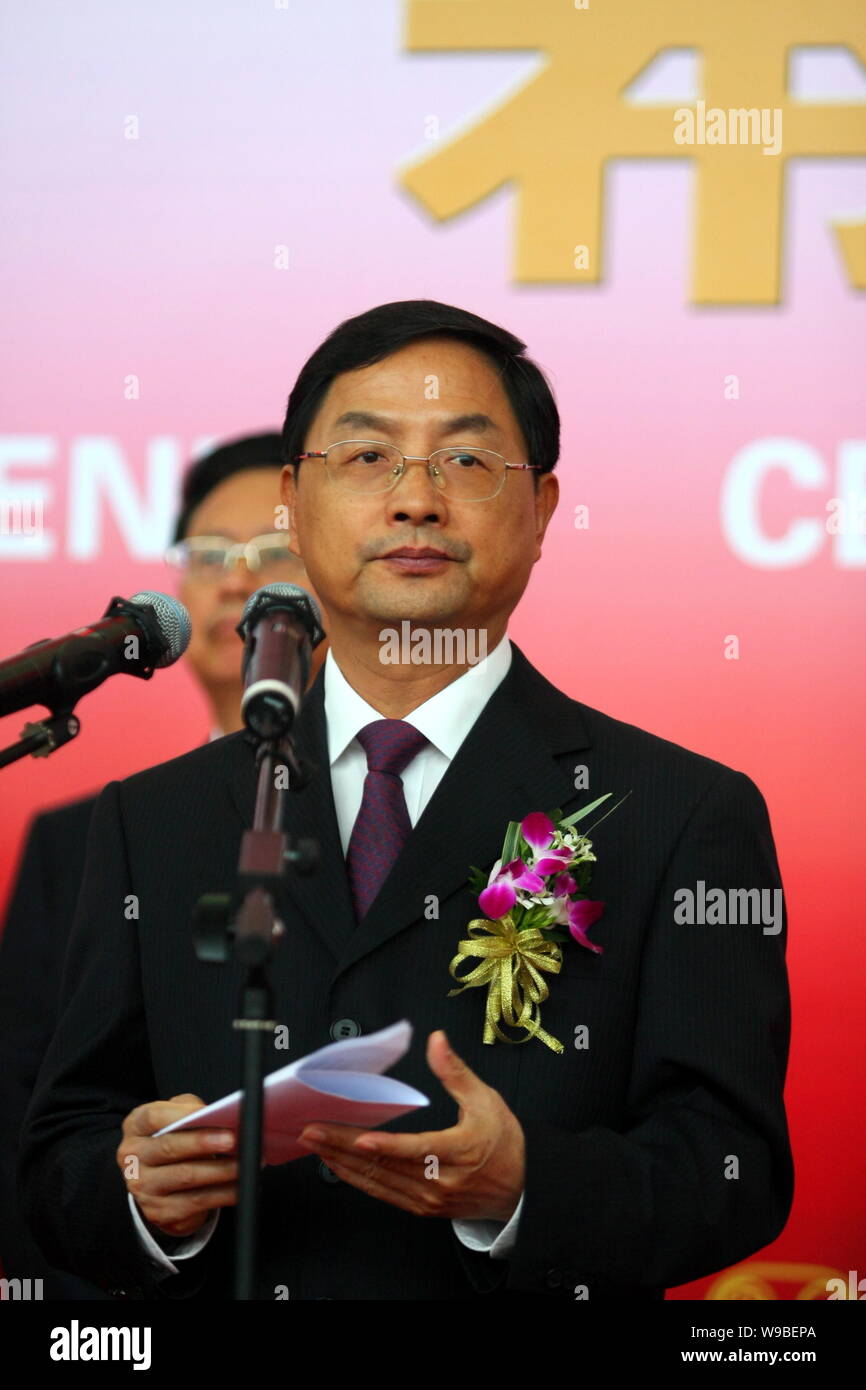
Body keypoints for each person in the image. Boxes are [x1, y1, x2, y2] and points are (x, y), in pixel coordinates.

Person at [18, 300, 793, 1301]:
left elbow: (731, 1168)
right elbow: (55, 1155)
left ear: (543, 509)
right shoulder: (151, 820)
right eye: (366, 458)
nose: (414, 500)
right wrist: (138, 1192)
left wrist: (524, 1188)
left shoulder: (678, 812)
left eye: (467, 463)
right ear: (292, 504)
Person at [0, 433, 325, 1297]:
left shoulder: (393, 816)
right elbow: (24, 1129)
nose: (234, 578)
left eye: (273, 552)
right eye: (210, 553)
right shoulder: (80, 840)